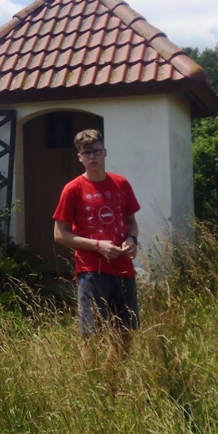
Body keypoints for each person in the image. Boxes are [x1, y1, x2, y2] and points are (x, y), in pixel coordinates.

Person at [53, 129, 140, 365]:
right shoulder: (73, 189)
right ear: (80, 157)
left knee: (125, 334)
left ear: (105, 153)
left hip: (124, 268)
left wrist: (132, 240)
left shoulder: (121, 184)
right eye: (87, 153)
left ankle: (112, 381)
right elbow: (60, 234)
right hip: (91, 270)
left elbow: (131, 223)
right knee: (92, 335)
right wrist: (97, 245)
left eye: (97, 151)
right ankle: (91, 382)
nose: (92, 156)